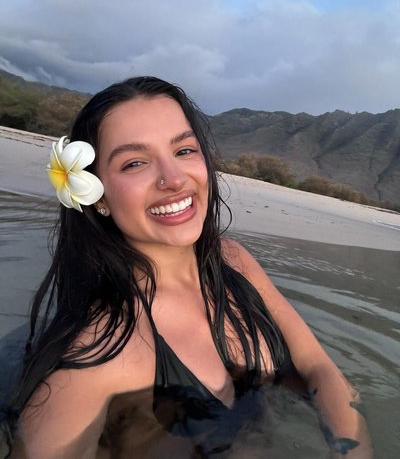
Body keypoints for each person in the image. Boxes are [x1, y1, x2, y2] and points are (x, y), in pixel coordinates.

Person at [7, 76, 371, 458]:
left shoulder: (233, 260)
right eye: (135, 163)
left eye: (183, 150)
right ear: (97, 196)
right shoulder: (100, 356)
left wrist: (352, 451)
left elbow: (317, 367)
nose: (175, 179)